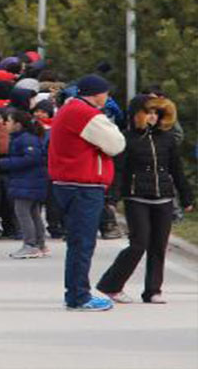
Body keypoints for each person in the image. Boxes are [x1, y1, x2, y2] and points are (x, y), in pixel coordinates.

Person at [97, 95, 194, 304]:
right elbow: (119, 171)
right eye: (147, 112)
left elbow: (176, 170)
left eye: (155, 113)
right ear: (136, 115)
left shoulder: (167, 139)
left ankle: (153, 291)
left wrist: (186, 196)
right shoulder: (126, 139)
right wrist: (112, 197)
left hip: (164, 198)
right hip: (136, 198)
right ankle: (111, 285)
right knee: (138, 244)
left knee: (159, 246)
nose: (152, 117)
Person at [49, 75, 126, 311]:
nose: (108, 97)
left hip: (67, 182)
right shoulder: (86, 114)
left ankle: (75, 292)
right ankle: (79, 295)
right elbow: (116, 144)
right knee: (83, 242)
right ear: (96, 94)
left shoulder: (69, 108)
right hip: (83, 185)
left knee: (77, 241)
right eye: (106, 93)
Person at [0, 109, 50, 259]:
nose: (4, 124)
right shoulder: (21, 138)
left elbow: (32, 158)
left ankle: (30, 244)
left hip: (29, 181)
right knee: (33, 213)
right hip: (28, 180)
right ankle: (40, 244)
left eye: (8, 121)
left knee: (22, 212)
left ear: (18, 124)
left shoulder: (26, 139)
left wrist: (7, 163)